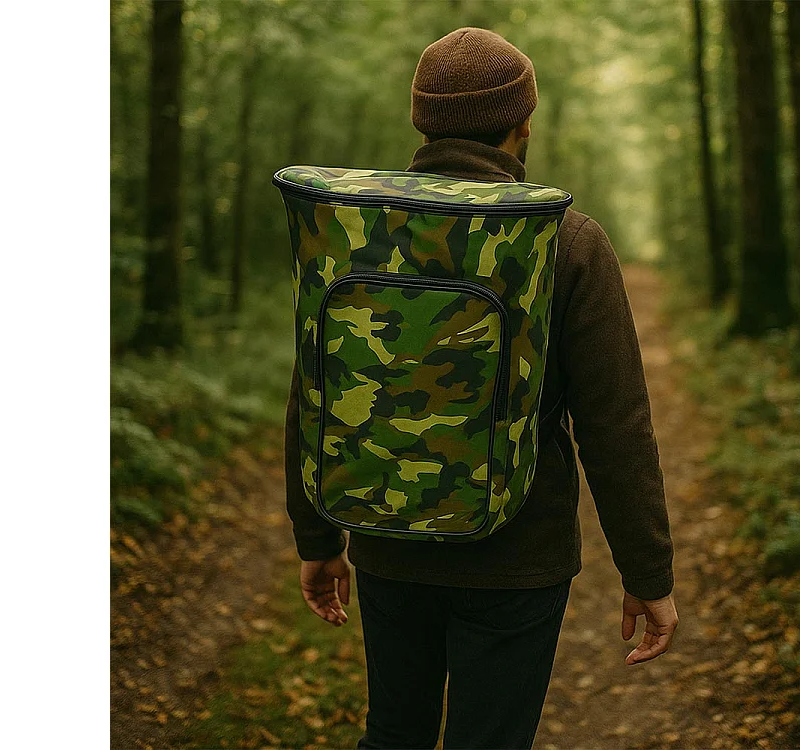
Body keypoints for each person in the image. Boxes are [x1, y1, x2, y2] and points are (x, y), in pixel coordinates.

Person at [284, 27, 679, 750]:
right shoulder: (566, 237)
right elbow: (615, 424)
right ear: (521, 123)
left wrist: (317, 536)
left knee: (394, 733)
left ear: (420, 120)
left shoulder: (356, 230)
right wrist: (647, 572)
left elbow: (315, 384)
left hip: (385, 536)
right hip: (516, 556)